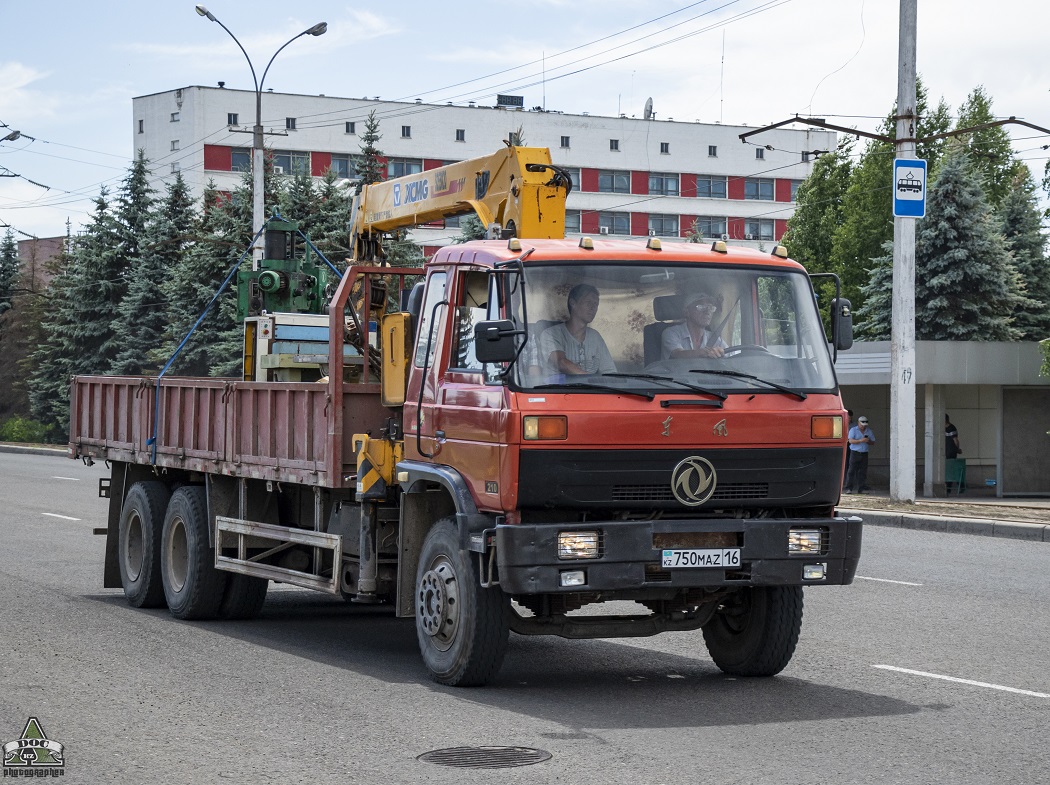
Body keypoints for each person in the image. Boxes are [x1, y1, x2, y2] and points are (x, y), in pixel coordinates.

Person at [539, 283, 616, 376]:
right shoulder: (550, 334)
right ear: (573, 303)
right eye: (588, 302)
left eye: (596, 304)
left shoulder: (595, 337)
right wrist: (590, 382)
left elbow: (610, 372)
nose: (593, 308)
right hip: (558, 389)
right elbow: (561, 363)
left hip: (593, 390)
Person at [661, 291, 728, 359]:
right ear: (686, 312)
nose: (707, 311)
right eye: (701, 307)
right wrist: (705, 353)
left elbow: (731, 354)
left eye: (710, 307)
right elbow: (677, 354)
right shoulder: (671, 333)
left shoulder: (715, 339)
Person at [844, 415, 875, 493]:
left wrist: (867, 441)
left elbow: (873, 442)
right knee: (851, 470)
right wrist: (861, 440)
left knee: (862, 471)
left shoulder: (869, 431)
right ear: (858, 423)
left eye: (864, 426)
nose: (863, 427)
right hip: (855, 452)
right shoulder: (853, 430)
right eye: (862, 425)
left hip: (864, 453)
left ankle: (861, 488)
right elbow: (850, 441)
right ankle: (849, 488)